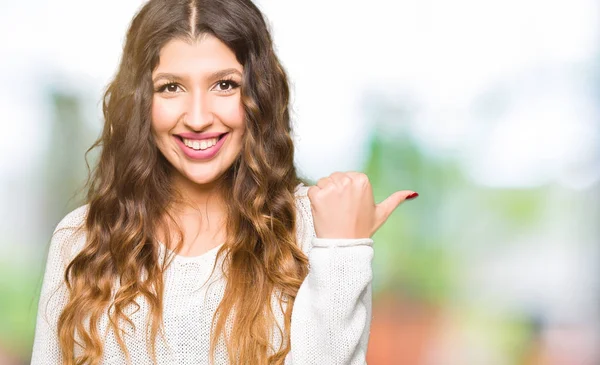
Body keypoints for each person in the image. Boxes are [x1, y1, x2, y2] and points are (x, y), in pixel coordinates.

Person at [31, 0, 418, 364]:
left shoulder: (315, 230)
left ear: (259, 94)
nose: (198, 117)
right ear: (139, 102)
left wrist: (341, 252)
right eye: (171, 87)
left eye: (225, 85)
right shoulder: (82, 239)